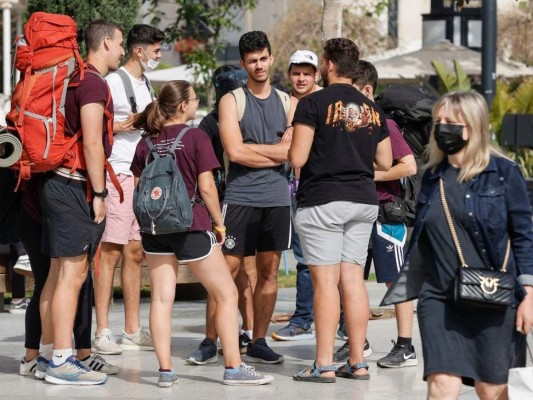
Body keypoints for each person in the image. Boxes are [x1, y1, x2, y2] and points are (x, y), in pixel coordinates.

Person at [382, 90, 533, 400]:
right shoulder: (432, 175)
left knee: (491, 390)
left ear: (474, 127)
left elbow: (524, 235)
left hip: (494, 296)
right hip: (440, 298)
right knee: (441, 386)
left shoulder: (504, 174)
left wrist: (529, 294)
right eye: (438, 121)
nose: (442, 128)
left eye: (451, 122)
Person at [130, 80, 273, 387]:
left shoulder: (146, 142)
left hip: (155, 228)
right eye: (195, 99)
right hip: (191, 225)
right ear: (183, 106)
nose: (197, 104)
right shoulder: (195, 137)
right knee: (226, 294)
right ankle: (233, 367)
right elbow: (207, 187)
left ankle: (165, 371)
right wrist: (219, 224)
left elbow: (139, 186)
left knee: (161, 300)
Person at [289, 37, 392, 382]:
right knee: (353, 280)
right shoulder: (372, 109)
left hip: (323, 201)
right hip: (363, 200)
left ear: (329, 65)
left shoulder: (312, 103)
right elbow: (386, 160)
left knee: (325, 283)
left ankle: (323, 364)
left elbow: (297, 158)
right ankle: (358, 360)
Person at [38, 20, 125, 385]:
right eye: (120, 43)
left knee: (58, 274)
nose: (122, 50)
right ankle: (61, 359)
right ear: (105, 42)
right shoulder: (93, 83)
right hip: (74, 188)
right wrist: (101, 194)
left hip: (56, 185)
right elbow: (92, 143)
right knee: (72, 276)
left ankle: (46, 355)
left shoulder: (75, 77)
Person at [334, 60, 418, 367]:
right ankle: (359, 342)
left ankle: (406, 346)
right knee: (348, 278)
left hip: (386, 215)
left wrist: (369, 176)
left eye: (351, 91)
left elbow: (408, 165)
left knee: (395, 281)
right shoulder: (350, 122)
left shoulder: (384, 122)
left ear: (367, 90)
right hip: (356, 211)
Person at [218, 31, 292, 364]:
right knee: (227, 271)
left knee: (268, 273)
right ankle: (216, 337)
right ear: (243, 63)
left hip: (276, 198)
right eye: (252, 61)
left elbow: (294, 153)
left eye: (263, 58)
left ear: (271, 57)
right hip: (240, 196)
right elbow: (234, 152)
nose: (259, 65)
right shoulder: (232, 100)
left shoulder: (289, 102)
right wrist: (276, 153)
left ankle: (259, 339)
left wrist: (255, 150)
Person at [92, 24, 165, 356]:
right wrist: (128, 123)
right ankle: (102, 329)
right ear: (141, 50)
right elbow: (100, 125)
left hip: (143, 176)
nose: (159, 55)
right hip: (117, 173)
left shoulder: (146, 83)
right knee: (109, 253)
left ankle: (132, 329)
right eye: (156, 50)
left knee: (136, 251)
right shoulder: (112, 83)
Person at [186, 65, 256, 364]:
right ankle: (210, 339)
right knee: (223, 274)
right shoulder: (209, 124)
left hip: (248, 199)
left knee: (248, 272)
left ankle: (250, 333)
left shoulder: (251, 116)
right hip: (221, 203)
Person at [272, 49, 321, 342]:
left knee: (330, 260)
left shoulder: (325, 102)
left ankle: (340, 321)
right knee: (303, 258)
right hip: (291, 187)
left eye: (307, 73)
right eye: (296, 73)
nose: (301, 78)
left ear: (316, 74)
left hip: (321, 187)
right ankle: (303, 319)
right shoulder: (282, 102)